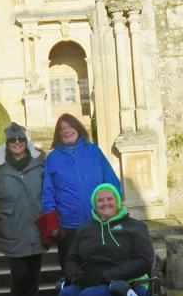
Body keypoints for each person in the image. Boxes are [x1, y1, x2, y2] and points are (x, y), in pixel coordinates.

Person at [41, 113, 122, 270]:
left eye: (70, 126)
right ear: (58, 134)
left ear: (78, 129)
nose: (66, 131)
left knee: (101, 267)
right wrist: (51, 224)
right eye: (62, 129)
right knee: (72, 269)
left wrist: (115, 211)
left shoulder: (94, 151)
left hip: (98, 222)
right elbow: (47, 191)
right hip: (68, 227)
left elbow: (111, 181)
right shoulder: (53, 158)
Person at [0, 122, 47, 296]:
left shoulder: (40, 162)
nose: (17, 143)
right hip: (12, 226)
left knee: (34, 273)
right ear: (7, 142)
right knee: (20, 273)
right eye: (13, 140)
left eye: (20, 139)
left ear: (26, 141)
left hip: (37, 225)